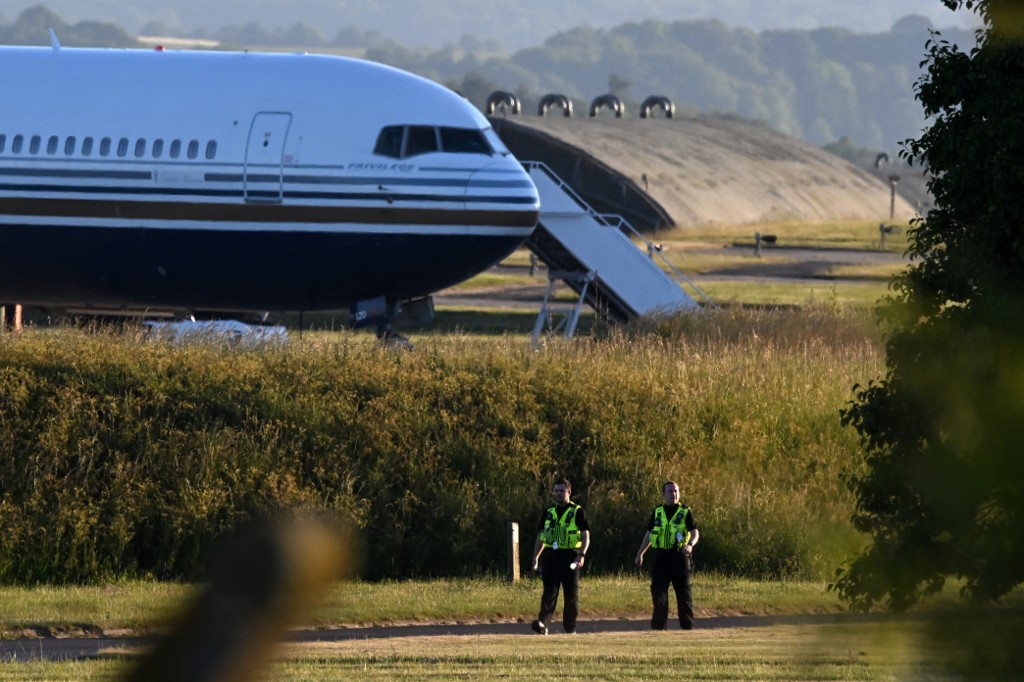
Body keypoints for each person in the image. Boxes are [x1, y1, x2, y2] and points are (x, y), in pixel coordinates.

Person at [634, 480, 699, 630]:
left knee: (684, 594)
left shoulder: (685, 511)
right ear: (664, 494)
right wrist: (640, 554)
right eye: (670, 491)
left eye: (676, 491)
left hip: (680, 556)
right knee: (658, 593)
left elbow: (695, 532)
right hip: (661, 557)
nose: (674, 494)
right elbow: (649, 535)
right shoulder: (658, 512)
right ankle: (658, 628)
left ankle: (687, 627)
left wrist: (690, 545)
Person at [530, 477, 590, 635]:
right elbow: (541, 537)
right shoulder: (548, 513)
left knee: (571, 595)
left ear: (569, 492)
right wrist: (536, 557)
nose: (558, 493)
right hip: (551, 556)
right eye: (556, 490)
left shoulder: (577, 512)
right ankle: (543, 624)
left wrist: (582, 555)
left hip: (571, 556)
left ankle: (570, 628)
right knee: (549, 592)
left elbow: (586, 536)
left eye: (562, 490)